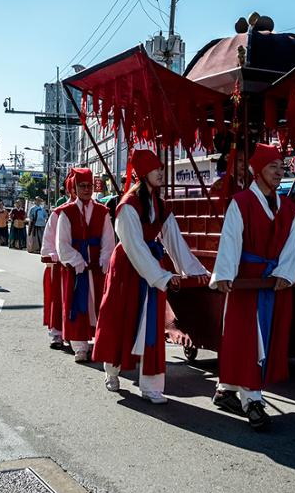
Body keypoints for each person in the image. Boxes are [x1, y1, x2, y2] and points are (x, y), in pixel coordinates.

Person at [92, 149, 209, 404]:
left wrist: (195, 271)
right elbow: (133, 246)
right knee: (120, 319)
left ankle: (151, 385)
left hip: (151, 270)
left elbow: (175, 240)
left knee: (152, 326)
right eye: (156, 169)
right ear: (143, 173)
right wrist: (162, 276)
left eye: (161, 168)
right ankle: (111, 370)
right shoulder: (127, 205)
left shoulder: (160, 204)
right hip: (126, 269)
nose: (160, 173)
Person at [209, 144, 295, 430]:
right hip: (246, 281)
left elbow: (290, 244)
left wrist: (285, 271)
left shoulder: (286, 206)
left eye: (282, 167)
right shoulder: (242, 202)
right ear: (258, 170)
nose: (279, 172)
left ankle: (226, 389)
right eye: (274, 166)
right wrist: (225, 273)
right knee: (246, 339)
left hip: (271, 281)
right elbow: (231, 239)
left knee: (256, 339)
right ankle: (253, 401)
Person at [57, 168, 115, 362]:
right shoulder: (66, 212)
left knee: (100, 305)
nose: (86, 189)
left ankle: (99, 343)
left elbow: (108, 239)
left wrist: (105, 258)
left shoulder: (102, 211)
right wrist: (76, 260)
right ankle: (79, 346)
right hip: (77, 269)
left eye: (89, 185)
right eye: (82, 186)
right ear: (75, 187)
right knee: (76, 304)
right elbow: (61, 243)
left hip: (97, 267)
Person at [42, 175, 74, 352]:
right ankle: (56, 333)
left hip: (79, 265)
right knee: (57, 300)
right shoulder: (59, 211)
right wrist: (53, 256)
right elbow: (49, 239)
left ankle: (73, 333)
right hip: (59, 265)